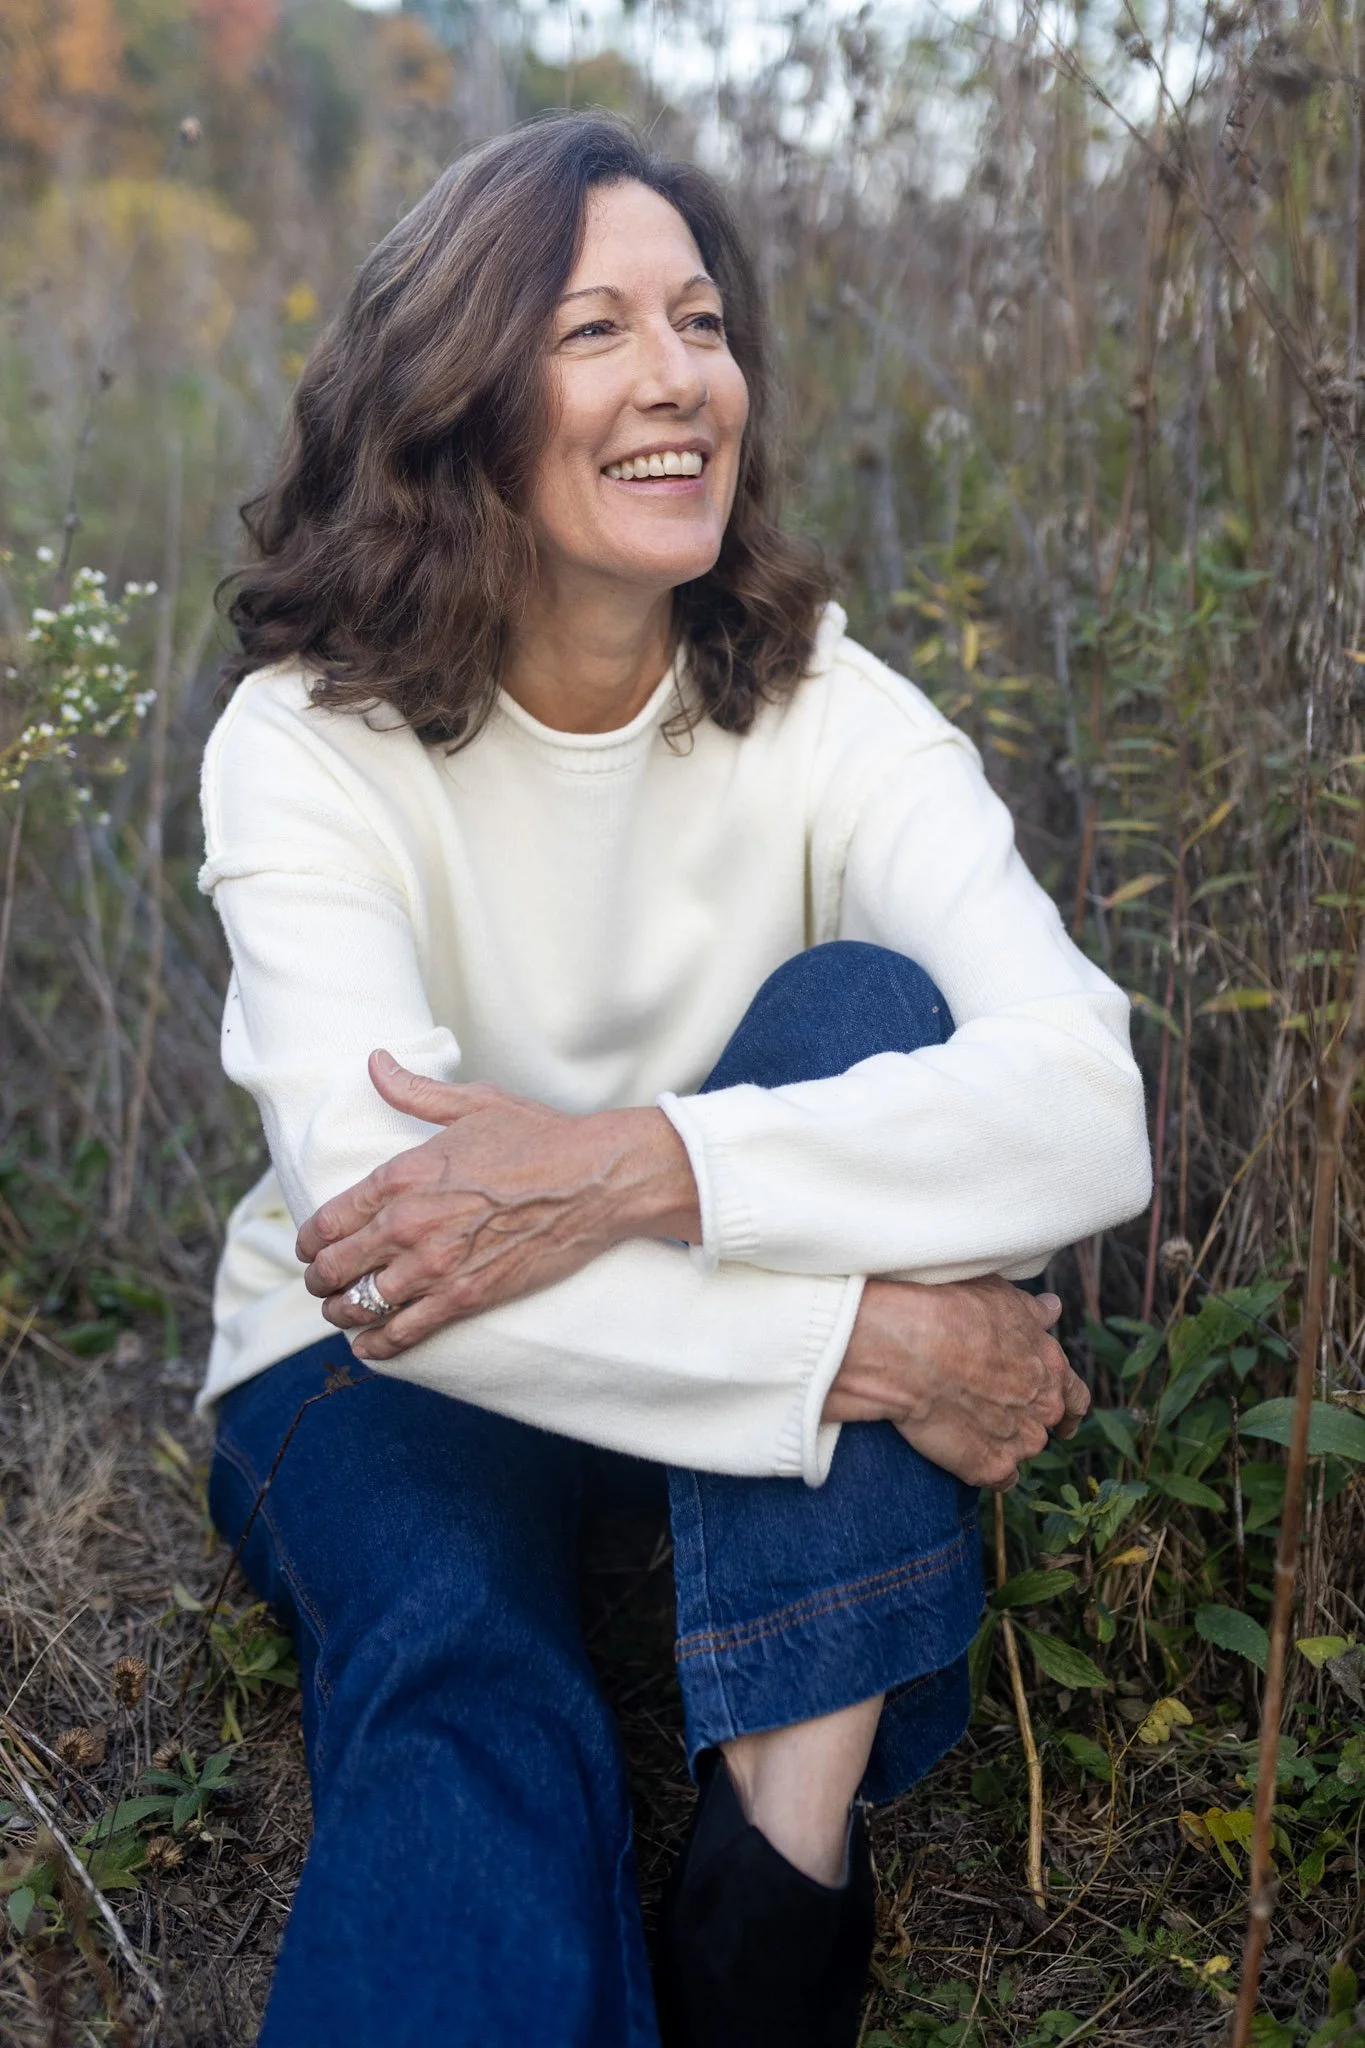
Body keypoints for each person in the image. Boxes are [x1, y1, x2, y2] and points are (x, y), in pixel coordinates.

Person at [199, 112, 1152, 2048]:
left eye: (700, 321)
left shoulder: (823, 705)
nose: (676, 378)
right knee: (465, 1662)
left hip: (670, 1295)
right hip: (378, 1358)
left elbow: (1085, 1105)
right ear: (456, 391)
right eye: (593, 329)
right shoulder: (307, 743)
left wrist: (638, 1166)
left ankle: (773, 1873)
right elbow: (391, 1251)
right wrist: (861, 1344)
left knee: (860, 999)